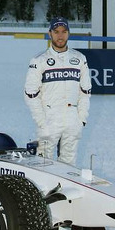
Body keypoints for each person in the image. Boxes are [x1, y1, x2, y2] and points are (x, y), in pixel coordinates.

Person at [24, 17, 91, 165]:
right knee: (43, 165)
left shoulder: (79, 58)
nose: (60, 36)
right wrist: (42, 121)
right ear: (50, 34)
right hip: (49, 118)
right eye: (56, 32)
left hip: (72, 118)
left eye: (64, 32)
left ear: (68, 34)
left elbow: (85, 93)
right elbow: (30, 94)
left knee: (69, 165)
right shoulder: (39, 60)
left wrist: (81, 119)